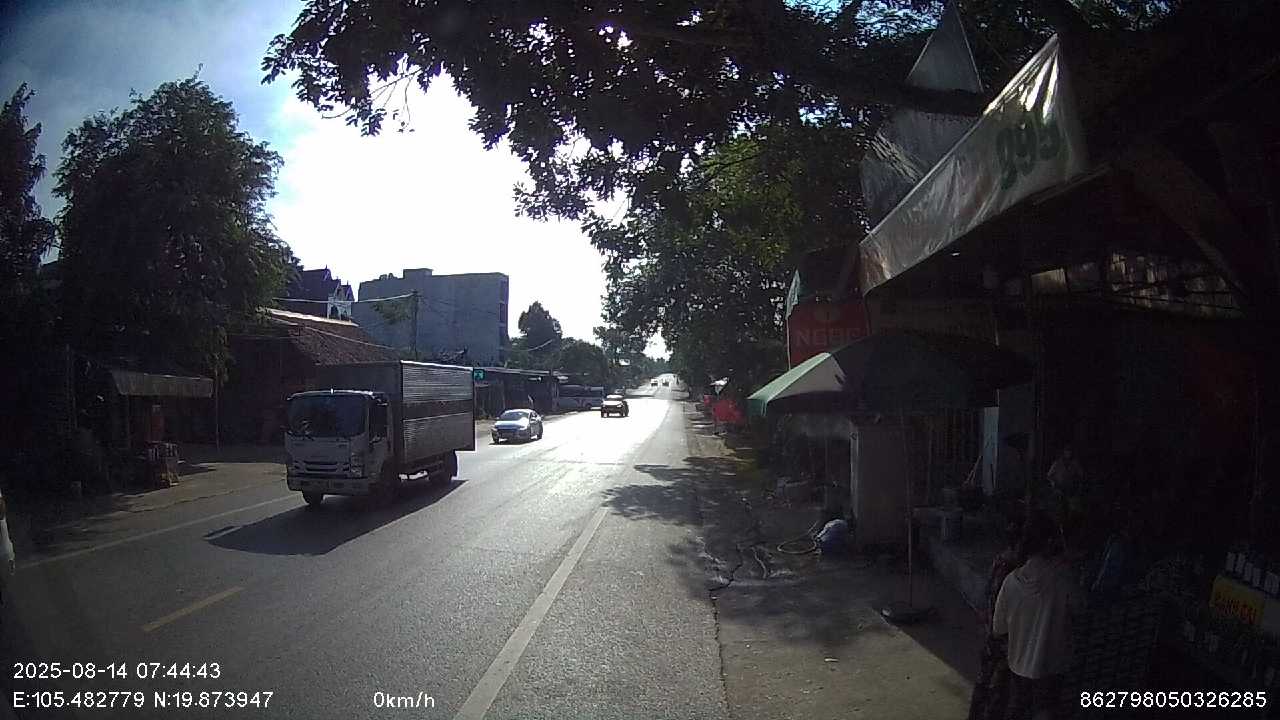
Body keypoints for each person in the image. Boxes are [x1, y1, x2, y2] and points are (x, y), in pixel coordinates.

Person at [992, 511, 1083, 720]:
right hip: (1053, 667)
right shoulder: (1063, 579)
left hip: (1018, 666)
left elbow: (998, 629)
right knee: (1046, 710)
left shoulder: (1011, 582)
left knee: (1018, 709)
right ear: (1052, 543)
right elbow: (1081, 608)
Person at [968, 519, 1025, 720]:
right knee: (998, 690)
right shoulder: (1013, 572)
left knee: (985, 684)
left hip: (993, 634)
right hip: (1002, 638)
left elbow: (986, 599)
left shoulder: (1001, 562)